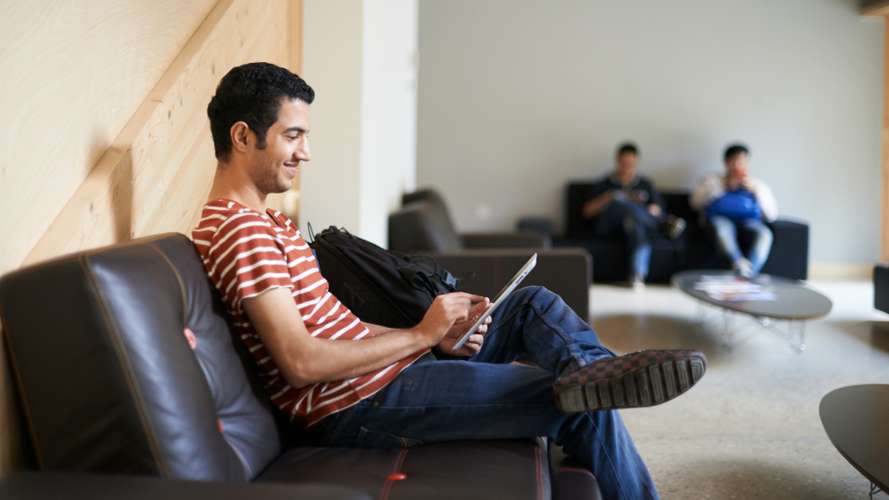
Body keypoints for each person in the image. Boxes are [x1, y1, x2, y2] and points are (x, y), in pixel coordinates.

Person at [192, 63, 707, 500]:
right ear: (242, 136)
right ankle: (595, 381)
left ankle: (593, 371)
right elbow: (302, 362)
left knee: (533, 305)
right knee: (573, 402)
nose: (305, 152)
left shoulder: (266, 223)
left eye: (305, 135)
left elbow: (338, 328)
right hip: (359, 404)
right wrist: (419, 337)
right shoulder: (242, 232)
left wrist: (431, 335)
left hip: (384, 374)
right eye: (293, 135)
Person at [581, 143, 685, 288]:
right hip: (608, 227)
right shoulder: (605, 183)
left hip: (633, 226)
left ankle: (637, 276)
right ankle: (662, 225)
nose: (627, 167)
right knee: (619, 201)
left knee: (634, 224)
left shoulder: (645, 184)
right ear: (617, 160)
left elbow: (657, 208)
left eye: (630, 164)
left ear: (636, 162)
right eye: (624, 163)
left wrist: (651, 209)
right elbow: (587, 212)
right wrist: (608, 198)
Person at [690, 144, 777, 278]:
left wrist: (755, 192)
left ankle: (747, 274)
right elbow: (695, 203)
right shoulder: (712, 180)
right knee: (723, 230)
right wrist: (722, 187)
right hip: (719, 219)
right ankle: (738, 263)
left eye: (743, 161)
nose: (738, 165)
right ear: (726, 162)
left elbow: (772, 215)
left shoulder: (756, 184)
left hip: (749, 222)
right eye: (735, 161)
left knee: (765, 234)